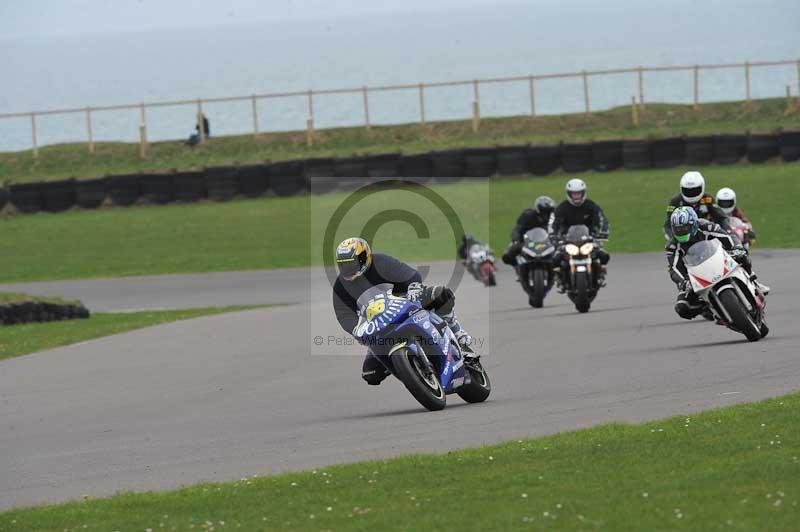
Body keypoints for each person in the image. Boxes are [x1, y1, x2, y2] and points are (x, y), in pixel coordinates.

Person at [332, 237, 479, 386]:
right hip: (378, 325)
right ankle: (404, 365)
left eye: (352, 263)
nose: (348, 269)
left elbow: (410, 275)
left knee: (441, 294)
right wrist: (357, 329)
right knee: (371, 374)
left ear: (365, 257)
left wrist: (413, 286)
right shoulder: (341, 285)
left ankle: (457, 333)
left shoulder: (381, 262)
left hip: (406, 301)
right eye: (343, 265)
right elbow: (343, 314)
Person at [665, 207, 769, 320]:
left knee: (742, 256)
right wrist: (683, 282)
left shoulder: (705, 226)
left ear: (694, 224)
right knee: (682, 307)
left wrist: (736, 248)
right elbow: (674, 268)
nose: (682, 231)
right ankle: (708, 308)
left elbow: (727, 236)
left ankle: (753, 281)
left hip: (717, 259)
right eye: (678, 229)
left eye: (685, 228)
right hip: (693, 276)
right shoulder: (672, 245)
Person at [549, 178, 610, 287]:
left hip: (589, 238)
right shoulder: (562, 208)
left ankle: (601, 273)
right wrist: (553, 235)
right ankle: (559, 277)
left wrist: (603, 231)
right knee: (556, 258)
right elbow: (553, 223)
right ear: (569, 194)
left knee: (603, 255)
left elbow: (602, 219)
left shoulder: (591, 205)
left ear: (583, 193)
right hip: (568, 240)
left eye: (578, 193)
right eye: (574, 194)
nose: (576, 196)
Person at [663, 171, 728, 238]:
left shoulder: (708, 198)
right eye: (687, 191)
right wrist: (673, 238)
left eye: (695, 191)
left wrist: (728, 232)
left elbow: (721, 218)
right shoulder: (675, 201)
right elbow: (668, 224)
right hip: (685, 239)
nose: (691, 193)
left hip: (708, 237)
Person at [501, 196, 556, 265]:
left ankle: (557, 271)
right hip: (527, 241)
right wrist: (516, 239)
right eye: (545, 212)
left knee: (559, 254)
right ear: (538, 210)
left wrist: (557, 238)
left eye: (549, 212)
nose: (547, 215)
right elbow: (517, 229)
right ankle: (519, 266)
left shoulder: (552, 219)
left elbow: (555, 230)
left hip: (544, 242)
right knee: (507, 255)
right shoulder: (527, 215)